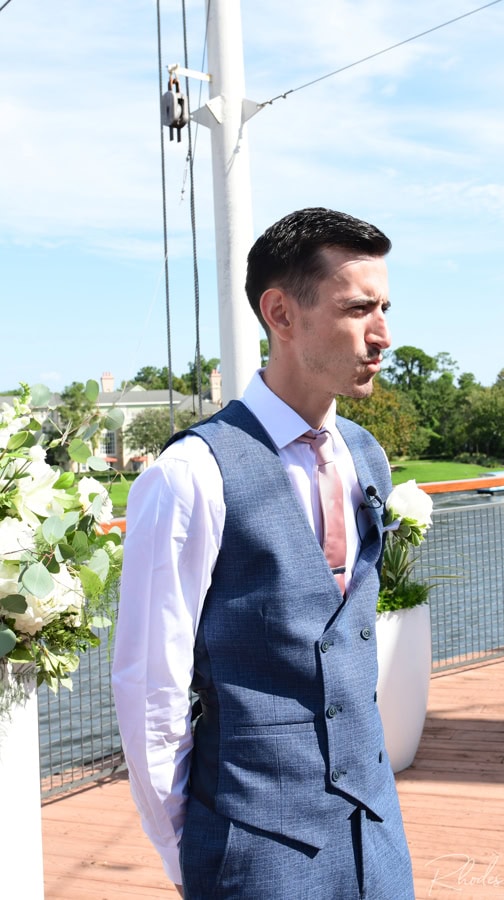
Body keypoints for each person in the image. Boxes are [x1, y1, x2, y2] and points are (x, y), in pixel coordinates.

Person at [112, 207, 415, 899]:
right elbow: (150, 688)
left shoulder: (367, 456)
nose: (383, 334)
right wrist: (190, 851)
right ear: (280, 312)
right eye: (358, 308)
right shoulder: (190, 475)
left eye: (385, 307)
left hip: (377, 831)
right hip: (253, 849)